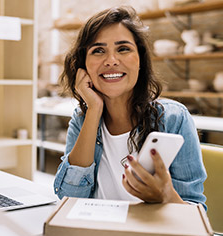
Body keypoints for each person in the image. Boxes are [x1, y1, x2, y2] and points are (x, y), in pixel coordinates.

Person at [53, 6, 207, 208]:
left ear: (140, 60)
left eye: (123, 49)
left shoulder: (174, 118)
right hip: (98, 232)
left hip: (151, 235)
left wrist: (166, 196)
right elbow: (69, 197)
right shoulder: (82, 119)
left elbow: (195, 213)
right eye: (98, 51)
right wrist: (94, 110)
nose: (111, 61)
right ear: (84, 66)